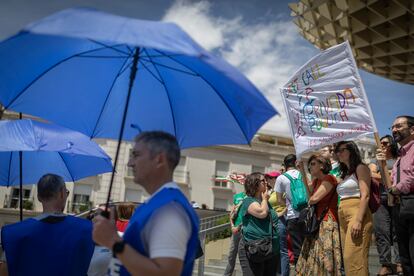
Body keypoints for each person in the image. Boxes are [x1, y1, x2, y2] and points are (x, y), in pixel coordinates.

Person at [92, 131, 200, 276]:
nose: (130, 163)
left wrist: (114, 242)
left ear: (159, 159)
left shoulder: (169, 210)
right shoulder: (159, 204)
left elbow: (166, 273)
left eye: (136, 155)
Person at [0, 174, 95, 276]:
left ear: (39, 197)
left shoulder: (13, 234)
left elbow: (4, 271)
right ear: (62, 194)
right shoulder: (88, 229)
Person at [296, 155, 342, 275]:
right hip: (317, 221)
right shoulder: (316, 181)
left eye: (313, 164)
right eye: (309, 164)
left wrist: (311, 198)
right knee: (314, 254)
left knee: (325, 256)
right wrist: (302, 170)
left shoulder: (329, 178)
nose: (310, 166)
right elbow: (308, 197)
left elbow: (313, 199)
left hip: (327, 220)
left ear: (322, 165)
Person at [334, 141, 373, 276]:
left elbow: (365, 195)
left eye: (341, 150)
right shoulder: (345, 173)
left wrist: (358, 220)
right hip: (343, 214)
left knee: (354, 257)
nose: (338, 153)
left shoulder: (361, 168)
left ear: (351, 150)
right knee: (348, 258)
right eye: (336, 151)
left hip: (357, 212)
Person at [371, 135, 402, 275]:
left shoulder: (399, 159)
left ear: (392, 145)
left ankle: (400, 262)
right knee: (381, 233)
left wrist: (385, 174)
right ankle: (386, 264)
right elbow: (372, 174)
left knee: (397, 233)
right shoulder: (375, 161)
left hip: (397, 199)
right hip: (381, 201)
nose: (381, 145)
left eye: (384, 143)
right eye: (380, 143)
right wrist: (390, 174)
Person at [387, 115, 414, 275]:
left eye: (398, 126)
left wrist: (396, 189)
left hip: (411, 202)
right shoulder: (400, 155)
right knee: (405, 257)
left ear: (412, 129)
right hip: (400, 207)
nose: (394, 130)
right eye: (392, 127)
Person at [239, 172, 279, 276]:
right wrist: (265, 199)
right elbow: (262, 213)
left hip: (270, 248)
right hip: (253, 248)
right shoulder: (248, 201)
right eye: (263, 181)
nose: (266, 182)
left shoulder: (264, 201)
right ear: (254, 183)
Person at [275, 154, 306, 265]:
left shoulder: (281, 178)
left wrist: (289, 205)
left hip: (292, 216)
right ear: (295, 162)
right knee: (307, 247)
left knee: (297, 249)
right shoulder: (302, 174)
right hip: (306, 214)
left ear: (285, 164)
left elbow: (279, 199)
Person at [266, 171, 289, 276]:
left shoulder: (282, 190)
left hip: (281, 221)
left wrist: (281, 214)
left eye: (270, 177)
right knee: (275, 250)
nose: (268, 180)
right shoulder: (271, 192)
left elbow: (289, 203)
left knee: (282, 250)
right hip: (273, 221)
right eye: (267, 178)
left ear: (277, 179)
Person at [224, 190, 249, 276]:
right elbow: (232, 213)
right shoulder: (237, 196)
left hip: (245, 229)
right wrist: (232, 225)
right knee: (231, 255)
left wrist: (238, 227)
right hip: (235, 229)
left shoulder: (251, 197)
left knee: (244, 256)